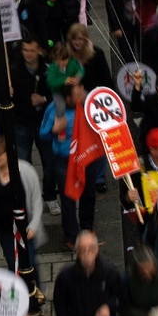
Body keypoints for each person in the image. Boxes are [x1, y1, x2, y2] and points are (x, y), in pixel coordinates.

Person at [40, 83, 96, 248]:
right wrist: (54, 130)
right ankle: (72, 236)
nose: (82, 96)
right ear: (67, 98)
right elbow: (42, 134)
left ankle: (87, 228)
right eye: (78, 95)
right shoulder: (55, 109)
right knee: (68, 200)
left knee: (89, 194)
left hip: (87, 157)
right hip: (66, 163)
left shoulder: (89, 104)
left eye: (82, 92)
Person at [9, 33, 57, 214]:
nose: (28, 54)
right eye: (25, 50)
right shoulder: (14, 70)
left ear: (39, 51)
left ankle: (50, 196)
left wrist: (44, 98)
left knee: (49, 163)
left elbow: (59, 93)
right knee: (24, 166)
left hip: (44, 123)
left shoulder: (48, 69)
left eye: (32, 50)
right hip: (22, 123)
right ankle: (29, 197)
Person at [0, 136, 46, 273]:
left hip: (24, 229)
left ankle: (35, 289)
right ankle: (19, 291)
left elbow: (36, 200)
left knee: (29, 262)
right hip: (3, 228)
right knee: (13, 263)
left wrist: (34, 225)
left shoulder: (26, 171)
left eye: (0, 154)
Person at [66, 23, 113, 192]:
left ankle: (99, 177)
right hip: (74, 105)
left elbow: (106, 80)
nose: (77, 42)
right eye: (74, 39)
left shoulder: (96, 54)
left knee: (98, 141)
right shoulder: (67, 57)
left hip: (94, 104)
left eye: (80, 39)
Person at [53, 231, 122, 316]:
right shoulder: (65, 277)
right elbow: (60, 307)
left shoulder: (110, 272)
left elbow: (119, 296)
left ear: (97, 250)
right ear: (76, 251)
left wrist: (108, 306)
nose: (86, 253)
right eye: (82, 249)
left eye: (90, 248)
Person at [120, 245, 158, 316]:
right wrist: (146, 315)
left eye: (150, 269)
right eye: (143, 271)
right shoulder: (127, 278)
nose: (147, 274)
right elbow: (123, 309)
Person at [46, 42, 84, 142]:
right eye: (61, 60)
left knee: (86, 96)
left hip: (71, 89)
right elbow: (51, 82)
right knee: (61, 106)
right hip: (58, 91)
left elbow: (81, 70)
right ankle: (61, 128)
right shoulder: (53, 68)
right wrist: (64, 80)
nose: (64, 62)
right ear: (55, 59)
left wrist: (77, 78)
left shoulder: (72, 63)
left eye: (66, 59)